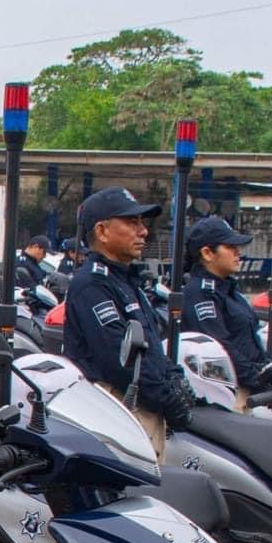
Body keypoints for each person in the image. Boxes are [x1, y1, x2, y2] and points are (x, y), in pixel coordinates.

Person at [61, 186, 190, 457]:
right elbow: (120, 360)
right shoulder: (93, 285)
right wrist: (167, 398)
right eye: (132, 223)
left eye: (142, 223)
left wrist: (174, 378)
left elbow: (149, 347)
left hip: (143, 406)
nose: (143, 231)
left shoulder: (124, 280)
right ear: (102, 231)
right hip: (123, 408)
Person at [183, 215, 262, 408]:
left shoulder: (228, 290)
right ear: (207, 253)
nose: (238, 253)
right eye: (230, 247)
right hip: (228, 393)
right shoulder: (200, 293)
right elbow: (220, 344)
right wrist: (257, 377)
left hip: (248, 387)